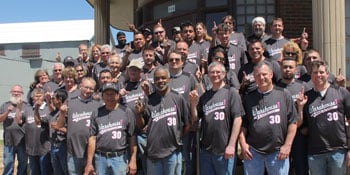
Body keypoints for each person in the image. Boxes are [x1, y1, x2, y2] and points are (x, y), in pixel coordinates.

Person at [239, 61, 298, 175]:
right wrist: (243, 144)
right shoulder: (248, 98)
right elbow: (243, 124)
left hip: (278, 151)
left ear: (271, 75)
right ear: (254, 77)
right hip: (253, 152)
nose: (261, 78)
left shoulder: (284, 94)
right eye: (258, 75)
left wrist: (287, 145)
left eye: (264, 74)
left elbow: (293, 122)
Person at [297, 60, 350, 175]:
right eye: (315, 72)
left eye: (321, 72)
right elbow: (299, 124)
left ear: (327, 74)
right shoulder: (307, 97)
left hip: (338, 150)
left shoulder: (341, 92)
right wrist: (300, 108)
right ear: (311, 75)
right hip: (315, 153)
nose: (318, 75)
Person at [135, 66, 191, 175]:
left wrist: (177, 139)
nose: (160, 81)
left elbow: (187, 124)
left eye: (163, 78)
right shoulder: (149, 100)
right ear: (154, 81)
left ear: (169, 79)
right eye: (157, 79)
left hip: (173, 153)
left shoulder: (178, 97)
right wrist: (139, 113)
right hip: (153, 154)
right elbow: (141, 126)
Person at [190, 62, 243, 175]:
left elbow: (238, 120)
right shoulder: (205, 96)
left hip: (224, 150)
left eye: (218, 72)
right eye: (212, 72)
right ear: (208, 75)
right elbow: (195, 119)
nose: (215, 74)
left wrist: (232, 145)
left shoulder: (231, 93)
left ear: (224, 74)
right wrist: (193, 104)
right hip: (206, 150)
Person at [84, 83, 137, 175]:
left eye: (112, 94)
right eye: (107, 94)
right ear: (102, 96)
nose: (109, 97)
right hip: (101, 159)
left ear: (117, 95)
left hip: (120, 158)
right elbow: (92, 139)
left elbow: (132, 137)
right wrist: (89, 163)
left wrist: (133, 159)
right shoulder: (96, 113)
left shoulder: (126, 111)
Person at [56, 77, 101, 175]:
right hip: (73, 151)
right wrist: (62, 114)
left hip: (92, 152)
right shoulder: (70, 102)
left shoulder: (98, 105)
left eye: (91, 89)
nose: (88, 91)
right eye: (86, 87)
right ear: (80, 86)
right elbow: (59, 125)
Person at [275, 57, 308, 175]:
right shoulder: (275, 88)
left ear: (296, 69)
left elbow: (310, 109)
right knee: (283, 168)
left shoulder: (303, 86)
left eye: (290, 67)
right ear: (280, 69)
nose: (287, 69)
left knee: (301, 167)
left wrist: (307, 126)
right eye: (285, 67)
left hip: (299, 134)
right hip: (281, 135)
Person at [0, 85, 29, 175]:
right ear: (11, 93)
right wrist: (7, 112)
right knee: (8, 163)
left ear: (22, 94)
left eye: (18, 92)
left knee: (23, 164)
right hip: (9, 141)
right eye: (14, 91)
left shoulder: (26, 106)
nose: (16, 93)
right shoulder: (5, 105)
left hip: (22, 141)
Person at [24, 88, 52, 175]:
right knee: (34, 171)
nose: (38, 98)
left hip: (44, 147)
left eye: (40, 96)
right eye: (36, 96)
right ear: (33, 97)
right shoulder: (28, 109)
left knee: (45, 170)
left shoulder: (47, 109)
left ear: (43, 97)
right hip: (31, 146)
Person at [49, 89, 69, 175]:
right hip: (54, 145)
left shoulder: (67, 112)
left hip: (63, 145)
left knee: (66, 170)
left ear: (59, 99)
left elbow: (72, 131)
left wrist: (59, 128)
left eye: (53, 98)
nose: (52, 100)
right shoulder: (54, 113)